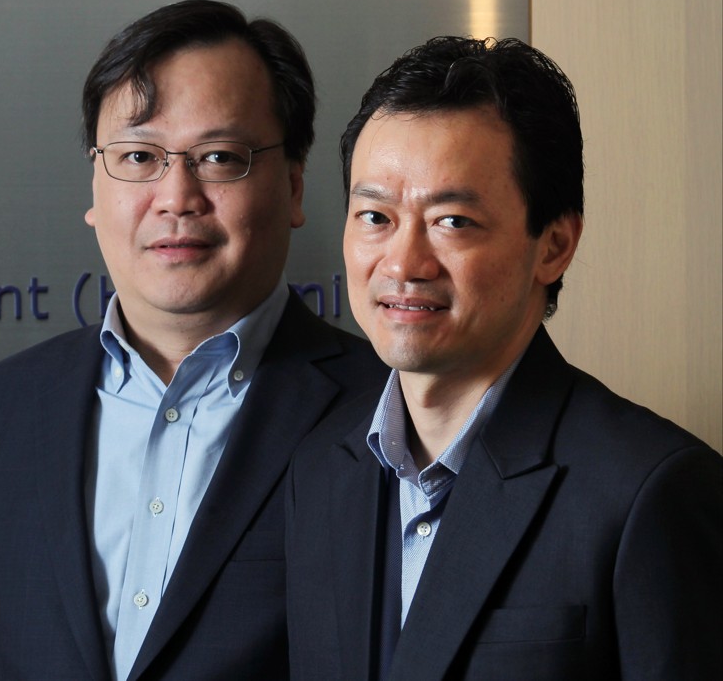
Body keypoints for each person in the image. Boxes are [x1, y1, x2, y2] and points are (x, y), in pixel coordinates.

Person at [0, 0, 384, 680]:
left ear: (292, 186)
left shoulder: (386, 414)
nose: (176, 196)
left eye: (220, 157)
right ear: (94, 183)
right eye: (138, 155)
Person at [284, 35, 723, 680]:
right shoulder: (318, 471)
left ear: (554, 245)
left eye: (453, 221)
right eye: (374, 216)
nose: (404, 264)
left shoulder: (650, 493)